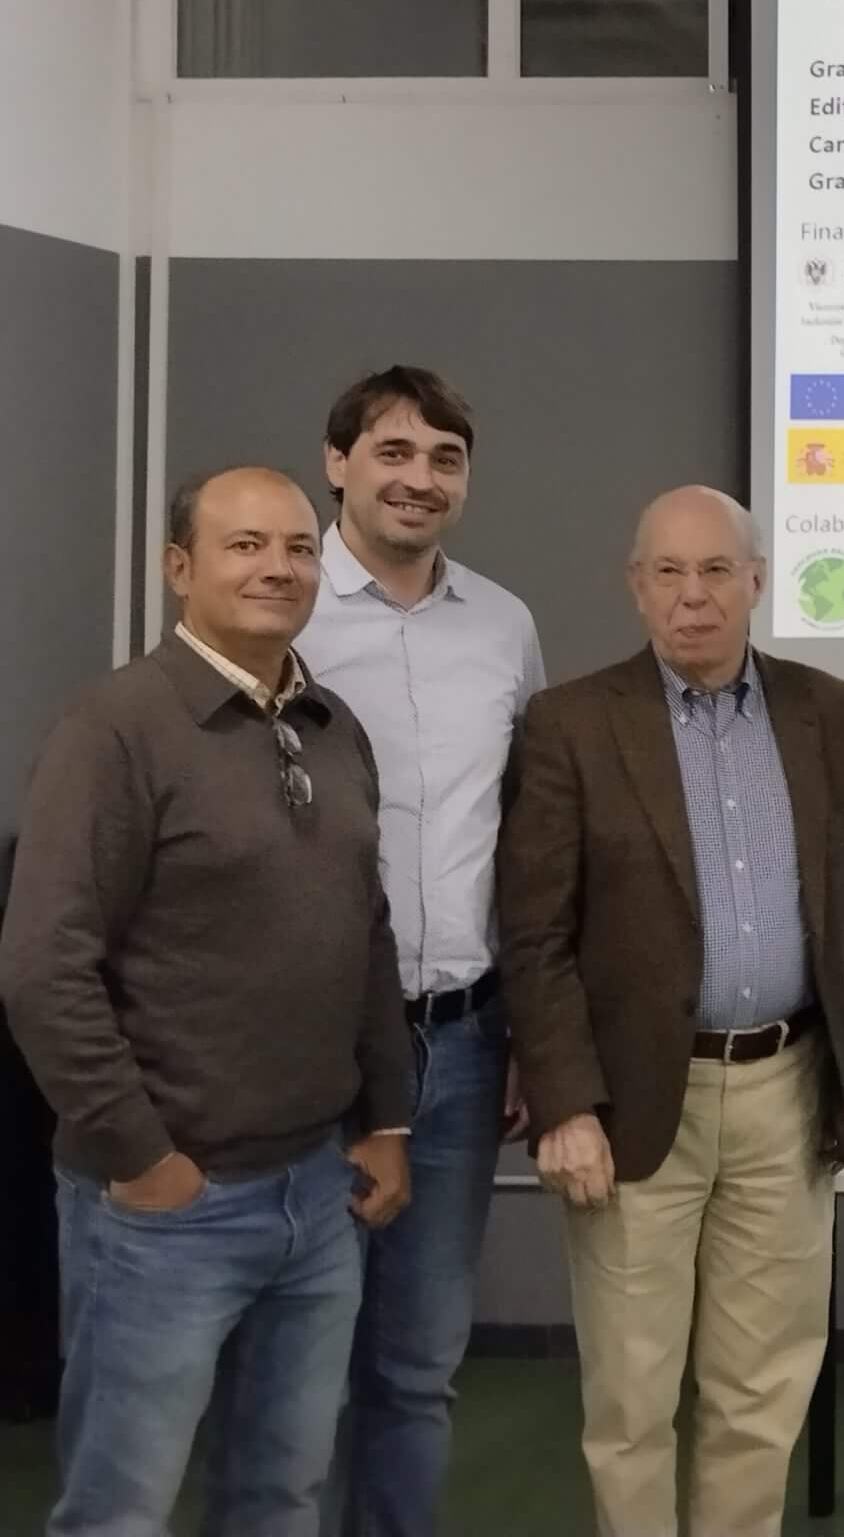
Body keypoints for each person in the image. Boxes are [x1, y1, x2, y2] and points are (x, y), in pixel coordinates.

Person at [0, 467, 412, 1536]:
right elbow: (44, 966)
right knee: (120, 1511)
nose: (278, 566)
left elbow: (363, 937)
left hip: (318, 1198)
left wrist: (385, 1118)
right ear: (180, 568)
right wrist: (142, 1157)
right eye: (243, 546)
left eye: (297, 547)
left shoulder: (332, 726)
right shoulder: (115, 730)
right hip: (162, 1208)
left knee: (278, 1499)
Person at [496, 486, 844, 1537]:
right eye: (668, 573)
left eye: (716, 571)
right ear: (636, 588)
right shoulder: (572, 725)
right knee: (631, 1401)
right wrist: (563, 1104)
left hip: (790, 1089)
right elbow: (533, 935)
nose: (693, 598)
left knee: (760, 1394)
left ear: (757, 582)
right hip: (631, 1105)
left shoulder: (832, 713)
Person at [293, 367, 544, 1535]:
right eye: (392, 452)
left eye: (444, 458)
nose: (419, 478)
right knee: (299, 1358)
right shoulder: (278, 608)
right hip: (304, 1048)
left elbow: (527, 830)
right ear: (338, 463)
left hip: (460, 1041)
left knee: (414, 1363)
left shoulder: (502, 625)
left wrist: (534, 1039)